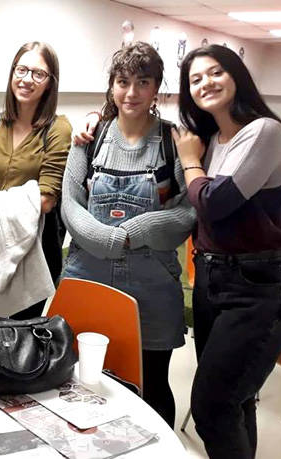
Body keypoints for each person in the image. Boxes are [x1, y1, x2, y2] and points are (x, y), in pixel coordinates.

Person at [60, 42, 195, 427]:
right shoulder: (90, 138)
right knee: (82, 379)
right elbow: (70, 201)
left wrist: (136, 231)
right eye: (122, 82)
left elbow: (188, 210)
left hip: (151, 285)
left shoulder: (173, 141)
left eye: (143, 82)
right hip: (89, 275)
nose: (131, 92)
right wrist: (106, 238)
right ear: (111, 86)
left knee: (151, 386)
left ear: (156, 89)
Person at [174, 44, 281, 459]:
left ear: (237, 75)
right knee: (236, 400)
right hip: (210, 277)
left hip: (255, 286)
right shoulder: (211, 139)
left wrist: (190, 163)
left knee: (213, 408)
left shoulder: (264, 132)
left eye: (216, 72)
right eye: (195, 79)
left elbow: (214, 202)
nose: (206, 83)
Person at [0, 41, 72, 318]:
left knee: (20, 334)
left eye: (38, 73)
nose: (27, 79)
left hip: (31, 251)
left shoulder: (57, 129)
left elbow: (46, 200)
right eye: (21, 70)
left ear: (50, 82)